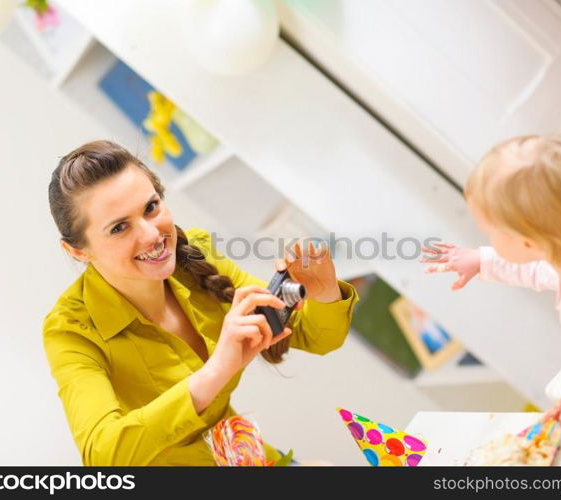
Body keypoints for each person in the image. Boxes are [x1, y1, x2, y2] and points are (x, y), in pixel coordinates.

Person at [44, 140, 358, 465]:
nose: (152, 235)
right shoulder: (71, 329)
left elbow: (315, 338)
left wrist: (322, 292)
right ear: (79, 251)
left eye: (151, 208)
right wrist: (217, 370)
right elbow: (105, 454)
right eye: (120, 227)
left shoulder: (194, 253)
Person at [421, 135, 561, 424]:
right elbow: (539, 269)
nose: (489, 238)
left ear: (528, 242)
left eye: (491, 233)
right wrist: (482, 260)